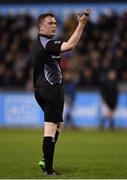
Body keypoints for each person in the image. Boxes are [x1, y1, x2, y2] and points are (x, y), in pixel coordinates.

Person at [31, 10, 91, 176]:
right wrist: (82, 24)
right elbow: (70, 45)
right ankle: (48, 170)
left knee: (59, 125)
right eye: (50, 23)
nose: (54, 26)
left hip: (42, 90)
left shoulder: (41, 44)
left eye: (55, 23)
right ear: (40, 27)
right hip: (50, 90)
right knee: (50, 129)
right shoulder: (46, 44)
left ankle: (46, 159)